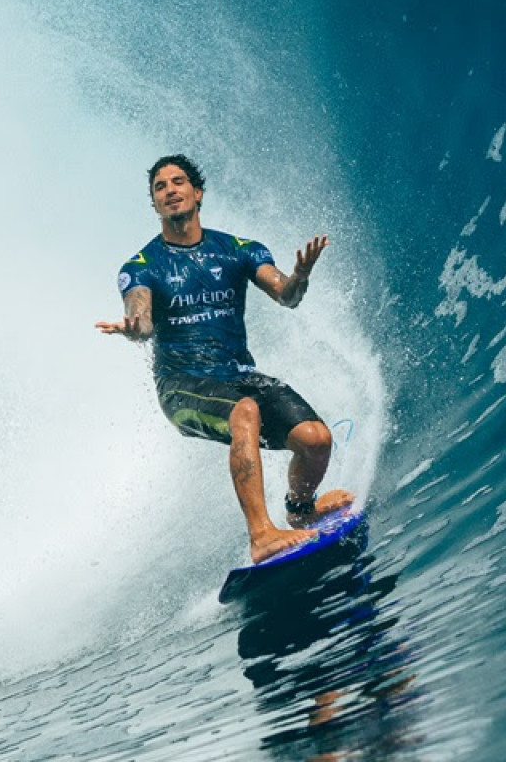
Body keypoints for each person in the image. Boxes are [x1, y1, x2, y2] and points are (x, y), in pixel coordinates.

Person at [96, 154, 352, 563]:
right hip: (181, 386)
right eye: (160, 187)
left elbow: (285, 295)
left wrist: (299, 277)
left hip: (236, 375)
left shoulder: (236, 250)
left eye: (178, 182)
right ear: (155, 204)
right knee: (245, 411)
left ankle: (301, 510)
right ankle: (262, 535)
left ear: (197, 193)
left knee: (316, 440)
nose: (170, 191)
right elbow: (141, 317)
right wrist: (134, 327)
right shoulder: (142, 266)